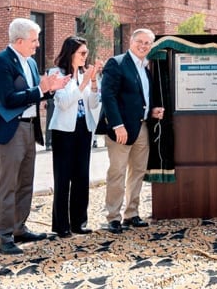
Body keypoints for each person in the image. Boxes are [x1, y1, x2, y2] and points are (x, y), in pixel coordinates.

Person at [0, 17, 69, 255]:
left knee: (26, 182)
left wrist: (50, 90)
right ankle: (4, 236)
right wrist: (41, 89)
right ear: (19, 40)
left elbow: (34, 95)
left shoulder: (32, 64)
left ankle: (19, 228)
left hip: (30, 127)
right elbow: (7, 98)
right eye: (34, 40)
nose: (38, 45)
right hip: (10, 130)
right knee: (8, 185)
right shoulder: (0, 61)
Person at [100, 28, 164, 234]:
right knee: (117, 173)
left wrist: (152, 109)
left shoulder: (146, 68)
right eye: (140, 41)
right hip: (121, 130)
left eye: (148, 43)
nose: (144, 46)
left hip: (142, 127)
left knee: (137, 172)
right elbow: (108, 96)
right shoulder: (116, 63)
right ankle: (113, 217)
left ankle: (131, 214)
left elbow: (141, 96)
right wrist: (117, 125)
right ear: (131, 41)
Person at [48, 36, 102, 237]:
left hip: (84, 128)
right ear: (70, 53)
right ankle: (61, 225)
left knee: (81, 176)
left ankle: (79, 222)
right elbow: (63, 103)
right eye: (82, 53)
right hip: (64, 131)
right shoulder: (57, 74)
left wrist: (94, 81)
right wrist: (83, 83)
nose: (84, 56)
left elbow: (94, 104)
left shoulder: (84, 74)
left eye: (86, 53)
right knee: (63, 177)